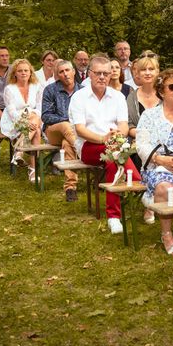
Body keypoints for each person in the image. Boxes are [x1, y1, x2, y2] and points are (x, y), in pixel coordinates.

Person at [69, 56, 141, 235]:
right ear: (90, 74)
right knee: (114, 153)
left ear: (111, 75)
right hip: (88, 146)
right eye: (98, 73)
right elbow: (79, 130)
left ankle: (114, 216)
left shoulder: (117, 97)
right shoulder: (79, 97)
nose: (102, 77)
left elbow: (124, 125)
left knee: (112, 160)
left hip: (113, 145)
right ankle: (138, 183)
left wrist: (118, 135)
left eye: (106, 73)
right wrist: (103, 139)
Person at [136, 69, 173, 256]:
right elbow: (141, 144)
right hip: (158, 164)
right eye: (172, 87)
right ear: (161, 91)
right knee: (166, 189)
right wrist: (160, 159)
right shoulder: (149, 116)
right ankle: (167, 234)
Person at [41, 60, 82, 202]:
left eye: (67, 70)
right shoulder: (50, 90)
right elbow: (46, 116)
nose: (65, 74)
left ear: (74, 71)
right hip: (53, 131)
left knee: (67, 144)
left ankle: (70, 187)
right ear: (57, 75)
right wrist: (67, 119)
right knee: (65, 126)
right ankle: (82, 150)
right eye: (61, 72)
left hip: (74, 134)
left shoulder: (82, 91)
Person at [0, 59, 43, 182]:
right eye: (20, 71)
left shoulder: (37, 87)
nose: (23, 73)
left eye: (26, 70)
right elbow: (12, 112)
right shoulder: (9, 89)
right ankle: (32, 170)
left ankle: (19, 151)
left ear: (30, 73)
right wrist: (26, 121)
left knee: (35, 119)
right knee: (37, 131)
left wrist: (32, 118)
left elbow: (39, 108)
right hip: (14, 121)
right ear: (15, 73)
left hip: (34, 119)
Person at [127, 56, 161, 176]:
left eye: (151, 69)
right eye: (143, 69)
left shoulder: (165, 95)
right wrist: (143, 137)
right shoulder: (131, 97)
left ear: (157, 71)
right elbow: (129, 125)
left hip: (162, 142)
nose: (147, 73)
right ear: (138, 73)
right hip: (137, 142)